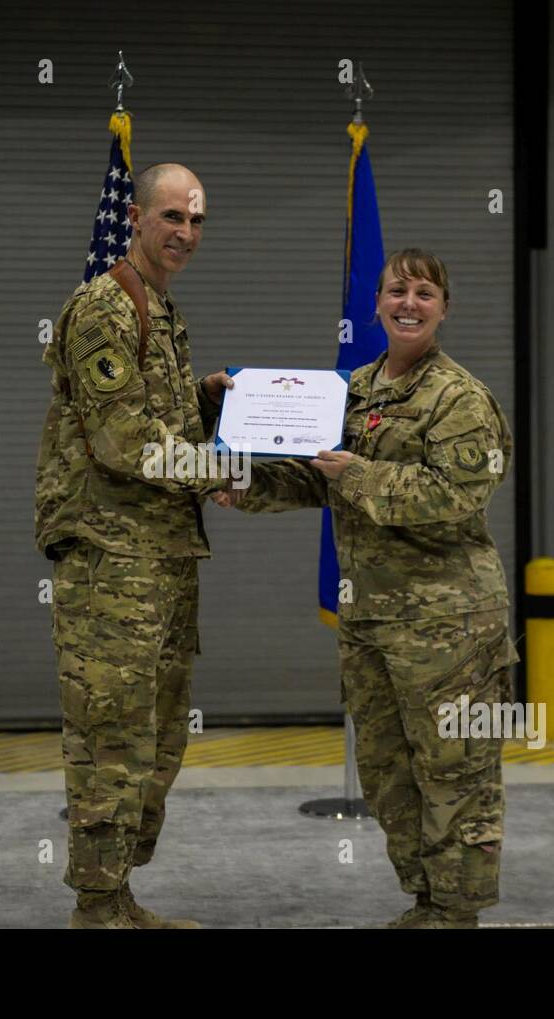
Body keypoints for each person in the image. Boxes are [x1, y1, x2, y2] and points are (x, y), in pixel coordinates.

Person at [215, 248, 517, 929]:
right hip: (372, 620)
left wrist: (358, 475)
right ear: (377, 304)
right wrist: (245, 482)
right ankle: (427, 900)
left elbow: (457, 492)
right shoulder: (351, 389)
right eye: (397, 290)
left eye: (424, 292)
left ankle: (457, 911)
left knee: (456, 773)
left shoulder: (459, 398)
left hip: (451, 625)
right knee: (386, 772)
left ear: (443, 307)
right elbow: (311, 473)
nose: (409, 302)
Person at [35, 162, 233, 929]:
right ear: (137, 219)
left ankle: (117, 894)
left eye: (197, 220)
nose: (185, 232)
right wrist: (218, 466)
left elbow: (160, 428)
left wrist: (209, 405)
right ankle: (97, 905)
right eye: (172, 217)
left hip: (164, 557)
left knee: (156, 738)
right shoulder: (104, 309)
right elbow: (122, 441)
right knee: (111, 735)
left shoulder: (162, 312)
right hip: (111, 562)